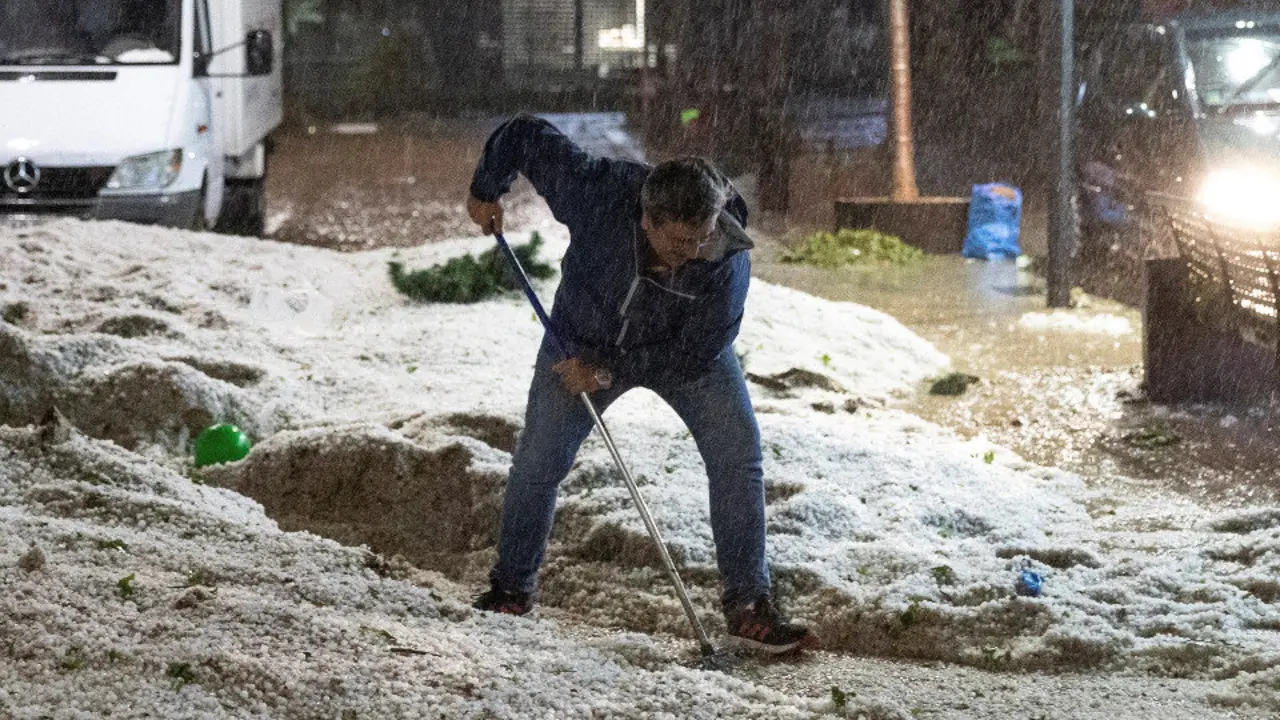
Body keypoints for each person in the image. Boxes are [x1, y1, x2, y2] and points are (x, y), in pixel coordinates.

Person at [465, 114, 815, 654]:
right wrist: (487, 188)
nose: (691, 253)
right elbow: (525, 134)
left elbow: (694, 353)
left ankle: (748, 604)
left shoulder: (725, 256)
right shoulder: (597, 191)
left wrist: (610, 371)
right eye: (678, 241)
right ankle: (511, 587)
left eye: (701, 237)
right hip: (580, 341)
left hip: (684, 356)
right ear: (646, 218)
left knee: (737, 456)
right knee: (538, 462)